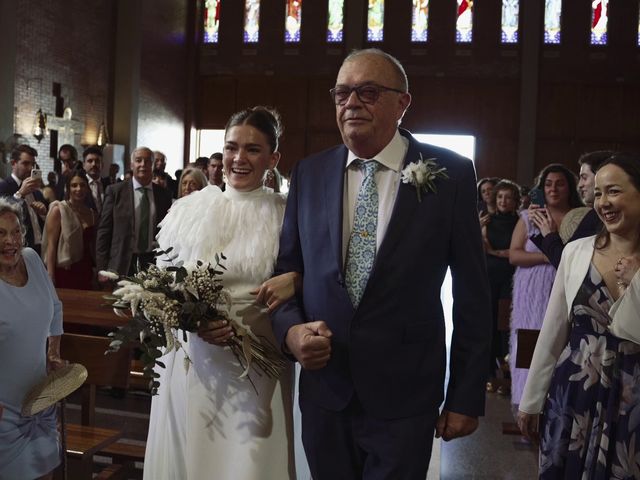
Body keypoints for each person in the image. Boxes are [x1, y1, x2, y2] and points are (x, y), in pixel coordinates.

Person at [271, 48, 491, 479]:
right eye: (341, 93)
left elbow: (472, 294)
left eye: (368, 92)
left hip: (405, 391)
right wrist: (291, 331)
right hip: (326, 389)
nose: (351, 103)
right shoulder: (310, 174)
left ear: (402, 102)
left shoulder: (450, 174)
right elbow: (287, 273)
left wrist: (465, 396)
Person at [144, 107, 300, 480]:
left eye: (252, 149)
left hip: (261, 364)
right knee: (197, 457)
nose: (238, 159)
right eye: (231, 147)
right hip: (198, 360)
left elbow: (314, 275)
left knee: (252, 458)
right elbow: (160, 287)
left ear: (273, 158)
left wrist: (299, 279)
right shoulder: (190, 210)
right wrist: (191, 321)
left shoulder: (287, 214)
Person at [518, 153, 640, 478]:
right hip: (575, 391)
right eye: (598, 193)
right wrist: (531, 400)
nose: (603, 202)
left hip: (633, 393)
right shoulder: (577, 251)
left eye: (613, 191)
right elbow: (555, 327)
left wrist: (636, 281)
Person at [0, 198, 65, 479]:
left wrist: (53, 353)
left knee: (46, 472)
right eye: (0, 234)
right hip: (4, 411)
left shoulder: (31, 259)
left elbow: (55, 308)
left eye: (15, 232)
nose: (10, 241)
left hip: (40, 402)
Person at [508, 164, 583, 409]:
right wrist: (549, 255)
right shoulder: (530, 217)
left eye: (560, 183)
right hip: (531, 289)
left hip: (563, 285)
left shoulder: (579, 217)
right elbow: (514, 255)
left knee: (557, 343)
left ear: (569, 187)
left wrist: (556, 254)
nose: (553, 188)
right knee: (529, 343)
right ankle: (526, 404)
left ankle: (556, 403)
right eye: (548, 183)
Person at [96, 147, 172, 278]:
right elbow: (104, 231)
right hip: (122, 262)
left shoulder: (164, 195)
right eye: (138, 160)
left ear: (153, 165)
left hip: (152, 262)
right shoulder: (115, 191)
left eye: (147, 161)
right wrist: (102, 268)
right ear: (132, 165)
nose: (143, 164)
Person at [529, 150, 613, 269]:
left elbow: (568, 265)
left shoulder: (597, 216)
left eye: (584, 178)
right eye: (548, 184)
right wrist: (544, 230)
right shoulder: (594, 214)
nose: (580, 185)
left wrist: (549, 235)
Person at [483, 179, 520, 395]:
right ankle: (488, 373)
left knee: (505, 326)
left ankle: (507, 374)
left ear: (515, 200)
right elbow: (479, 249)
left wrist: (495, 252)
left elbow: (516, 250)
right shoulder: (487, 221)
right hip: (489, 277)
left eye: (507, 197)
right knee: (487, 323)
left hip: (510, 277)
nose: (503, 201)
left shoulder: (520, 222)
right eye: (499, 197)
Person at [42, 169, 97, 289]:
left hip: (86, 270)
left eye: (82, 185)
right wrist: (50, 276)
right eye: (74, 185)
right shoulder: (59, 210)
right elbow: (51, 245)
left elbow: (93, 246)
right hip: (65, 270)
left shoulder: (92, 213)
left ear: (87, 188)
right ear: (68, 188)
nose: (79, 189)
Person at [0, 145, 47, 255]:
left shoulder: (36, 191)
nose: (31, 168)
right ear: (13, 163)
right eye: (26, 163)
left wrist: (44, 213)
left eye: (33, 164)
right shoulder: (4, 186)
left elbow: (45, 220)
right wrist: (20, 194)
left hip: (40, 248)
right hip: (17, 250)